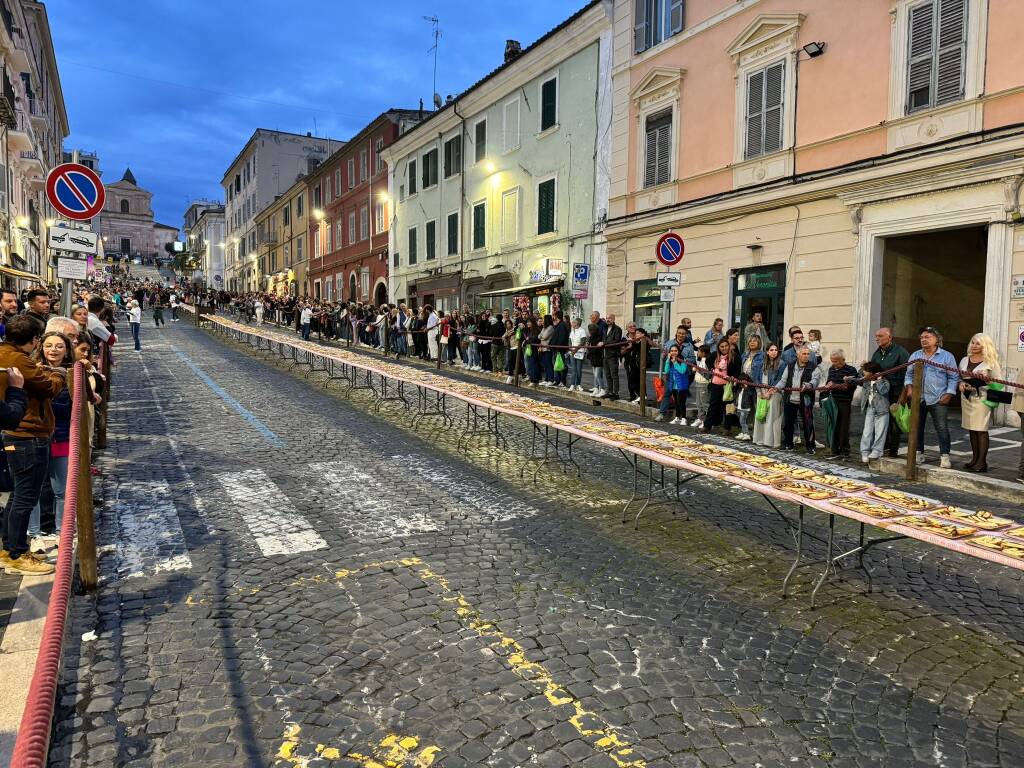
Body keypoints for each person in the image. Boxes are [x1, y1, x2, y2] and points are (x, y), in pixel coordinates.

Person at [0, 315, 65, 575]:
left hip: (18, 433)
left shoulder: (5, 353)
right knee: (25, 497)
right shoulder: (17, 359)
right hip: (28, 434)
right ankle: (16, 553)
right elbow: (48, 388)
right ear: (34, 340)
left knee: (18, 495)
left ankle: (8, 549)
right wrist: (59, 375)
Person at [27, 332, 73, 554]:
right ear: (41, 348)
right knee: (33, 489)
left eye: (58, 346)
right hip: (35, 438)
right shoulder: (33, 371)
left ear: (66, 350)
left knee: (61, 490)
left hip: (61, 437)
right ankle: (34, 534)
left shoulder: (74, 374)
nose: (53, 350)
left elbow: (74, 409)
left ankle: (63, 532)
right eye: (48, 346)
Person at [901, 326, 958, 469]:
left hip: (938, 398)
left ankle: (945, 455)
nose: (923, 340)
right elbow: (908, 374)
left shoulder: (947, 356)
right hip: (918, 398)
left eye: (927, 337)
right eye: (921, 337)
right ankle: (918, 452)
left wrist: (949, 394)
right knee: (916, 427)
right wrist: (909, 387)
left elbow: (953, 377)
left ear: (937, 339)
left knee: (942, 427)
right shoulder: (915, 355)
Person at [957, 333, 1001, 473]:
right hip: (967, 397)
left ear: (985, 346)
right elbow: (959, 377)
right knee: (972, 428)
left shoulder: (991, 362)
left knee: (981, 430)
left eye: (978, 343)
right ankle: (974, 459)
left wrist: (987, 380)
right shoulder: (964, 359)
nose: (974, 346)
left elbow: (999, 382)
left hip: (982, 398)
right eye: (973, 342)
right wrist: (961, 384)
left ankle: (982, 462)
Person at [868, 327, 911, 458]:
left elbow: (908, 373)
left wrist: (904, 394)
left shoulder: (900, 352)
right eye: (876, 336)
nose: (877, 338)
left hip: (896, 391)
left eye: (880, 336)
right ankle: (883, 446)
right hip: (881, 392)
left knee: (894, 422)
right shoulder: (877, 352)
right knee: (881, 420)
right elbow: (873, 369)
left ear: (890, 337)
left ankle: (893, 449)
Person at [779, 346, 820, 454]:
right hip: (790, 398)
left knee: (808, 423)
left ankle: (810, 446)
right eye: (804, 354)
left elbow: (815, 380)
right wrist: (774, 388)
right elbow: (783, 381)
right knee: (788, 423)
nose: (806, 356)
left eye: (808, 354)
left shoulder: (814, 367)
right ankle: (788, 444)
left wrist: (808, 385)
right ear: (798, 355)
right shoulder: (790, 365)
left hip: (805, 399)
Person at [822, 349, 858, 460]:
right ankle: (834, 450)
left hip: (844, 401)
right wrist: (828, 385)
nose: (834, 363)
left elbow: (850, 386)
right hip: (833, 400)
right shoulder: (831, 369)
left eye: (836, 361)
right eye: (832, 361)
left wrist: (835, 385)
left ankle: (845, 452)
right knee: (833, 426)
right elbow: (829, 381)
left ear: (843, 359)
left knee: (843, 427)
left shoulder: (851, 370)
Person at [854, 362, 890, 463]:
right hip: (870, 408)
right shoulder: (866, 381)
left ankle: (877, 450)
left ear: (872, 372)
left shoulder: (884, 382)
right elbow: (858, 376)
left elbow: (884, 391)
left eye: (866, 370)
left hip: (882, 410)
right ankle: (864, 451)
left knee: (880, 432)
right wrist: (862, 366)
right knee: (867, 431)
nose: (864, 372)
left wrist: (878, 380)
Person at [703, 338, 741, 435]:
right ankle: (707, 426)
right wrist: (712, 368)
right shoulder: (715, 355)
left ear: (729, 346)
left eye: (726, 346)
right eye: (722, 346)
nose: (724, 348)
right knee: (713, 406)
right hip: (716, 384)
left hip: (727, 385)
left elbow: (737, 369)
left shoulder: (735, 357)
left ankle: (727, 428)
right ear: (719, 348)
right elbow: (707, 360)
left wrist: (733, 377)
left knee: (728, 407)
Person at [753, 343, 784, 448]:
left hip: (774, 392)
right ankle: (759, 438)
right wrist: (759, 392)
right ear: (767, 351)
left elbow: (780, 380)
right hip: (762, 391)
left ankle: (770, 441)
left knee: (771, 416)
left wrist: (770, 392)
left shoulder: (781, 364)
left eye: (776, 350)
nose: (774, 352)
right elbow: (756, 379)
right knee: (760, 414)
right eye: (771, 350)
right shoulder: (760, 364)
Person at [736, 335, 764, 441]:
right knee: (745, 410)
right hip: (745, 385)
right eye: (750, 341)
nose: (752, 343)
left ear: (759, 343)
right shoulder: (745, 354)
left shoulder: (762, 355)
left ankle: (756, 433)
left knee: (756, 408)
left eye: (755, 341)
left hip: (756, 385)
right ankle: (745, 431)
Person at [655, 345, 690, 424]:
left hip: (682, 386)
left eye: (675, 351)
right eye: (672, 351)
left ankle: (684, 418)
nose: (673, 352)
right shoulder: (670, 360)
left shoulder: (683, 360)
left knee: (681, 402)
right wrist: (668, 360)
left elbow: (682, 371)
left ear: (679, 351)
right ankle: (677, 417)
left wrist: (675, 363)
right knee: (676, 402)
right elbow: (666, 370)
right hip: (674, 385)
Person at [602, 313, 623, 400]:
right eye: (607, 318)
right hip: (605, 354)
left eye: (610, 318)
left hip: (613, 355)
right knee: (607, 374)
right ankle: (609, 391)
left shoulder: (617, 329)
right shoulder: (605, 328)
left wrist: (604, 343)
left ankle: (616, 393)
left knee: (614, 375)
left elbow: (616, 341)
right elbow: (603, 339)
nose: (608, 320)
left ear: (614, 319)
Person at [624, 323, 646, 404]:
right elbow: (621, 351)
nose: (633, 328)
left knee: (639, 379)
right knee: (631, 380)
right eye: (630, 326)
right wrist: (628, 347)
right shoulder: (625, 338)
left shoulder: (641, 337)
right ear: (627, 329)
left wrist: (634, 343)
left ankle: (642, 396)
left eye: (634, 326)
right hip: (629, 361)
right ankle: (633, 396)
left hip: (638, 362)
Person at [690, 344, 710, 430]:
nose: (697, 353)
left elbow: (707, 375)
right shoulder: (699, 360)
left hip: (704, 384)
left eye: (698, 351)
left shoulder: (707, 361)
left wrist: (698, 370)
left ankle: (707, 421)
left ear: (703, 352)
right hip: (697, 383)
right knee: (698, 403)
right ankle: (700, 418)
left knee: (704, 403)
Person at [567, 317, 587, 392]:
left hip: (579, 352)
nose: (572, 324)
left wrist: (575, 349)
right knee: (573, 369)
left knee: (579, 369)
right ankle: (572, 384)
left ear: (577, 323)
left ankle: (578, 384)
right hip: (572, 352)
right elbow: (570, 341)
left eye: (573, 322)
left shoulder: (582, 331)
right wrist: (570, 348)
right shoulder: (572, 331)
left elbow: (583, 342)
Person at [587, 321, 606, 397]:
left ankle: (602, 389)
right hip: (593, 357)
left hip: (598, 358)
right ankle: (596, 388)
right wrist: (589, 347)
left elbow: (595, 349)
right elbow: (590, 347)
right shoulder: (591, 337)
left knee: (598, 375)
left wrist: (590, 348)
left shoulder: (599, 337)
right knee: (595, 375)